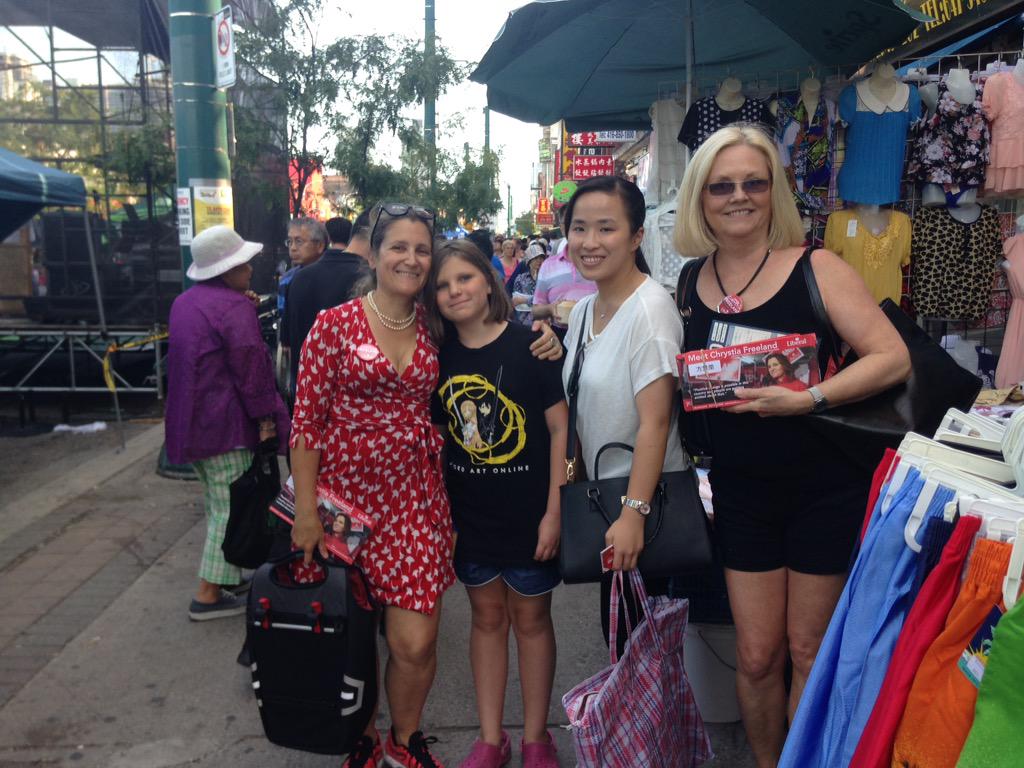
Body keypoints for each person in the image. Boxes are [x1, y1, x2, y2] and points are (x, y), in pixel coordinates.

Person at [289, 203, 564, 768]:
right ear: (374, 253)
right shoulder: (333, 325)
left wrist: (545, 339)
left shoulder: (436, 329)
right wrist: (306, 511)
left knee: (414, 642)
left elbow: (490, 345)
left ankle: (404, 739)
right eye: (398, 247)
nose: (411, 259)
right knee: (351, 636)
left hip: (415, 501)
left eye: (421, 250)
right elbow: (306, 422)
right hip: (341, 501)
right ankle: (362, 741)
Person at [673, 123, 910, 768]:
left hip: (822, 489)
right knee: (756, 656)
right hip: (739, 491)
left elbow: (891, 356)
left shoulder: (816, 267)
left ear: (774, 191)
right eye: (722, 186)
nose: (739, 197)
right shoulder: (690, 281)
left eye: (754, 183)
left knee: (807, 651)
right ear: (700, 198)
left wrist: (809, 399)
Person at [424, 239, 567, 768]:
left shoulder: (532, 345)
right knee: (485, 619)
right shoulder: (437, 358)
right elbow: (439, 443)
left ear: (489, 281)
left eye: (464, 278)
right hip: (470, 520)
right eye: (442, 285)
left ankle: (535, 737)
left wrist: (555, 511)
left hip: (531, 518)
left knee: (532, 620)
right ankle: (490, 737)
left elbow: (561, 431)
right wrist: (444, 520)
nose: (454, 291)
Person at [559, 175, 685, 648]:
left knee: (642, 653)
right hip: (605, 502)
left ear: (636, 237)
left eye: (606, 228)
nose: (589, 242)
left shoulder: (650, 311)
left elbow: (656, 421)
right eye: (579, 228)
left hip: (644, 511)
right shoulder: (584, 311)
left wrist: (634, 514)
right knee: (623, 646)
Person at [164, 225, 290, 621]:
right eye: (243, 264)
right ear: (226, 270)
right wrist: (266, 420)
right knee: (231, 509)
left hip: (192, 424)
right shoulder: (233, 308)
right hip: (226, 424)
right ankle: (207, 594)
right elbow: (252, 371)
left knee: (218, 502)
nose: (250, 269)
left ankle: (227, 576)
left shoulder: (184, 303)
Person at [282, 210, 371, 394]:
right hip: (348, 392)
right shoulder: (367, 278)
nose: (293, 248)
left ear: (321, 244)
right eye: (290, 241)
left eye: (299, 241)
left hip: (306, 387)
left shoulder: (298, 279)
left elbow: (287, 342)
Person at [532, 214, 597, 337]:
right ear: (562, 228)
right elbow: (535, 310)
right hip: (559, 336)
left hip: (596, 334)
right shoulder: (548, 265)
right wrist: (550, 309)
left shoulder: (600, 263)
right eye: (575, 227)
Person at [511, 245, 546, 325]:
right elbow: (516, 300)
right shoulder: (520, 278)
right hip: (523, 321)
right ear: (529, 260)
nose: (539, 261)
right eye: (536, 258)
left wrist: (525, 300)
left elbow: (545, 299)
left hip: (542, 321)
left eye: (541, 258)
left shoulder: (547, 278)